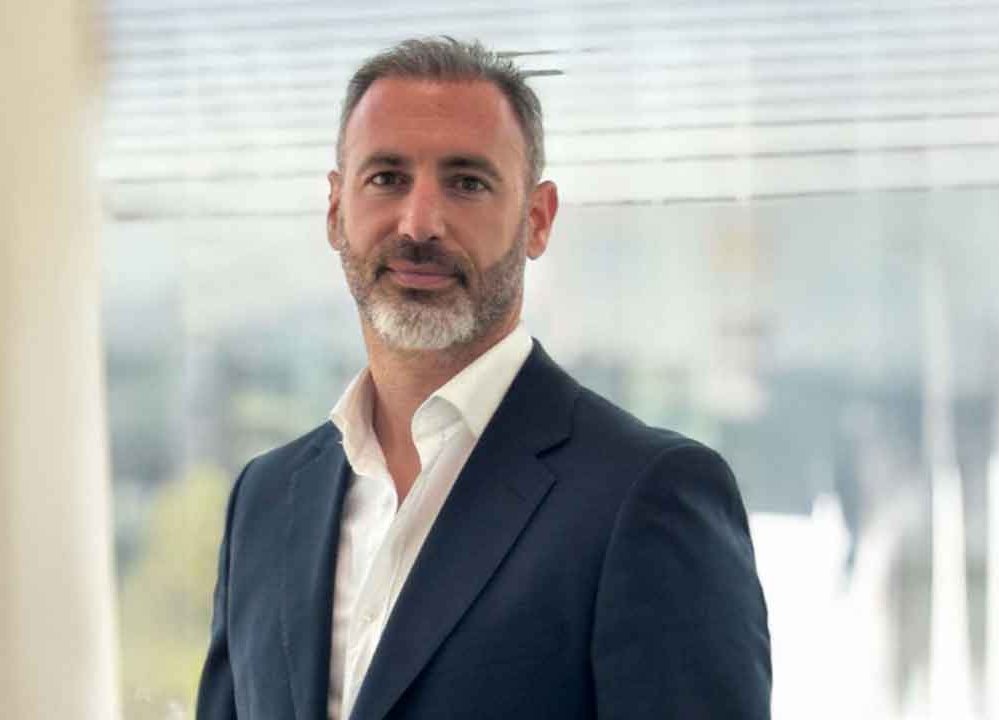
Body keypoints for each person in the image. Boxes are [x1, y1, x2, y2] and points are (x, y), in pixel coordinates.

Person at [196, 37, 771, 720]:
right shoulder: (264, 500)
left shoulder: (648, 495)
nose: (419, 224)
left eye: (466, 182)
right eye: (386, 178)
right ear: (334, 208)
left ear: (537, 219)